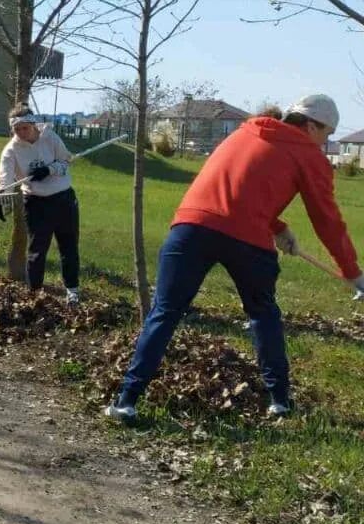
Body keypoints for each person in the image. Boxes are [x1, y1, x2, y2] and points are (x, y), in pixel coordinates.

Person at [106, 96, 364, 422]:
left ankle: (126, 401)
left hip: (191, 228)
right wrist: (353, 273)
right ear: (311, 125)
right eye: (326, 133)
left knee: (165, 311)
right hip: (247, 241)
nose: (325, 142)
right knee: (262, 314)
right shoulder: (307, 154)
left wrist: (279, 228)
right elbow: (327, 219)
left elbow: (235, 190)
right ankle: (280, 401)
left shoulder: (244, 132)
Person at [0, 104, 81, 303]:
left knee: (69, 247)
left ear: (33, 124)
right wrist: (1, 200)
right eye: (16, 130)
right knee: (37, 251)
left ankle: (72, 290)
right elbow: (5, 178)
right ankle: (34, 293)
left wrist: (49, 170)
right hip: (36, 203)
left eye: (24, 128)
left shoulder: (50, 137)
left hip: (63, 200)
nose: (21, 133)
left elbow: (65, 161)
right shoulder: (11, 149)